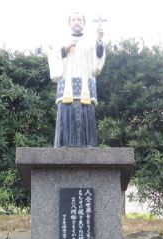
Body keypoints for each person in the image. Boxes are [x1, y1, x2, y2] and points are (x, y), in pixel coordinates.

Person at [48, 12, 105, 148]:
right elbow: (53, 56)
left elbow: (97, 62)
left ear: (84, 23)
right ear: (69, 23)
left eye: (79, 20)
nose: (77, 22)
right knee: (66, 117)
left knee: (87, 116)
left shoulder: (91, 41)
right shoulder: (62, 41)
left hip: (86, 87)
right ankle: (64, 148)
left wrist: (99, 40)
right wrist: (64, 50)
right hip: (67, 87)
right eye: (74, 20)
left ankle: (88, 147)